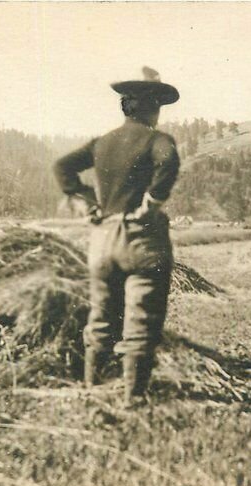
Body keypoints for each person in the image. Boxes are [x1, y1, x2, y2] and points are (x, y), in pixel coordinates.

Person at [52, 67, 180, 407]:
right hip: (142, 240)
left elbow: (62, 167)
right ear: (152, 107)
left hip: (103, 239)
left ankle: (92, 390)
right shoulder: (157, 140)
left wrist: (86, 202)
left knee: (102, 316)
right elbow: (168, 162)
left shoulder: (102, 143)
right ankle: (132, 399)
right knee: (142, 320)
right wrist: (151, 203)